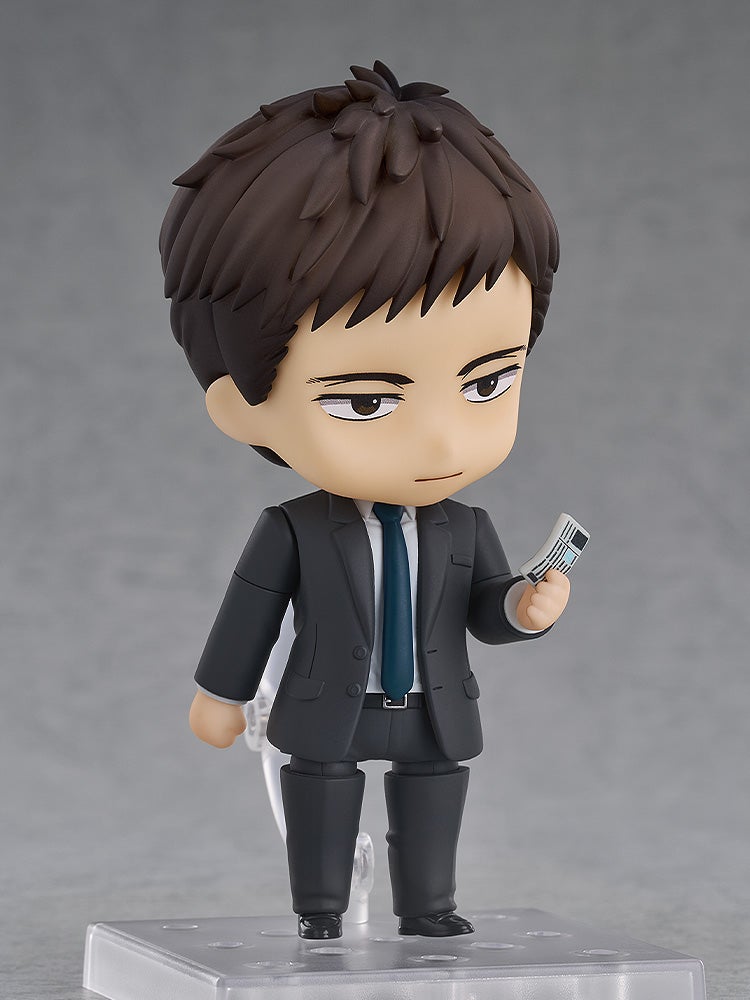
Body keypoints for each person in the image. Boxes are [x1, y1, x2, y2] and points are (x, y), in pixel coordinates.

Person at [160, 60, 570, 940]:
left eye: (487, 383)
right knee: (321, 797)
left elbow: (483, 610)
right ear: (240, 404)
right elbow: (250, 612)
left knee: (434, 796)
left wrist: (524, 608)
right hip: (326, 709)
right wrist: (220, 693)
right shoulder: (292, 529)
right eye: (365, 400)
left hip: (433, 705)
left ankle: (430, 907)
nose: (441, 443)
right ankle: (319, 913)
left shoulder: (467, 526)